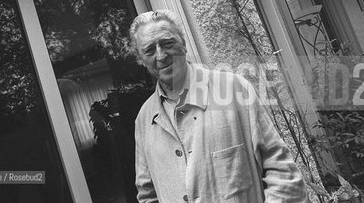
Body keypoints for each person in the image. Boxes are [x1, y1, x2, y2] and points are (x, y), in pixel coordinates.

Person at [129, 10, 308, 203]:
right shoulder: (144, 120)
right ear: (141, 60)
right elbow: (148, 195)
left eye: (167, 43)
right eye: (149, 50)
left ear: (183, 43)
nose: (161, 55)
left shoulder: (234, 90)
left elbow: (282, 173)